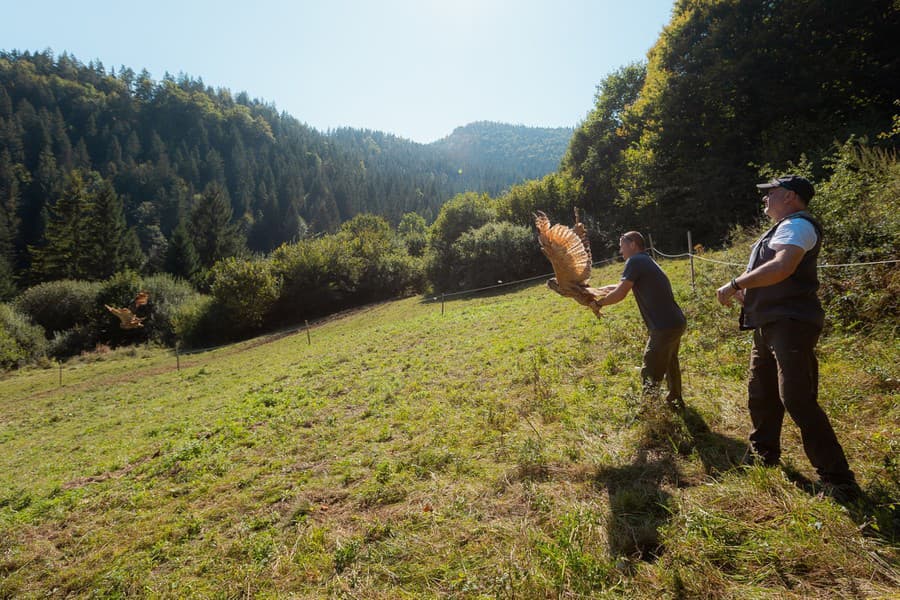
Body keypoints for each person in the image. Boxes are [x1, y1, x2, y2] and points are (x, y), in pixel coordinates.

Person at [716, 174, 858, 499]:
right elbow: (775, 277)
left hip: (790, 323)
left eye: (772, 193)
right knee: (761, 393)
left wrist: (737, 285)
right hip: (770, 324)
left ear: (791, 196)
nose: (765, 198)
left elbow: (782, 268)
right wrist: (751, 296)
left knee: (797, 397)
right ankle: (763, 456)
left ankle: (839, 480)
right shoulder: (783, 227)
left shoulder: (797, 226)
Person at [595, 231, 687, 409]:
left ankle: (648, 411)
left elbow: (621, 293)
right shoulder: (645, 260)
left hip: (663, 327)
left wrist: (599, 304)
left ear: (633, 244)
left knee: (650, 368)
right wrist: (596, 291)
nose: (620, 251)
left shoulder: (635, 261)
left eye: (622, 246)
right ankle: (675, 400)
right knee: (670, 363)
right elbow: (621, 286)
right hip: (675, 322)